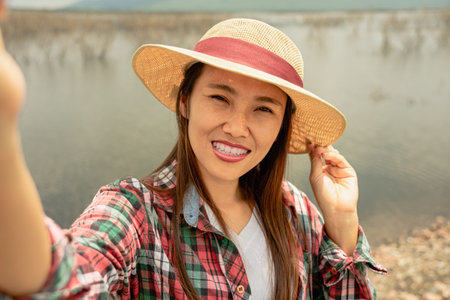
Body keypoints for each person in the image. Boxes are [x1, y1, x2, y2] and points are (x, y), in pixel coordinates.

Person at [0, 9, 386, 300]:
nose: (237, 126)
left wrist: (342, 223)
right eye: (219, 97)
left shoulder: (297, 212)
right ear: (185, 102)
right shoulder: (138, 212)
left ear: (283, 125)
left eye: (263, 109)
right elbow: (65, 277)